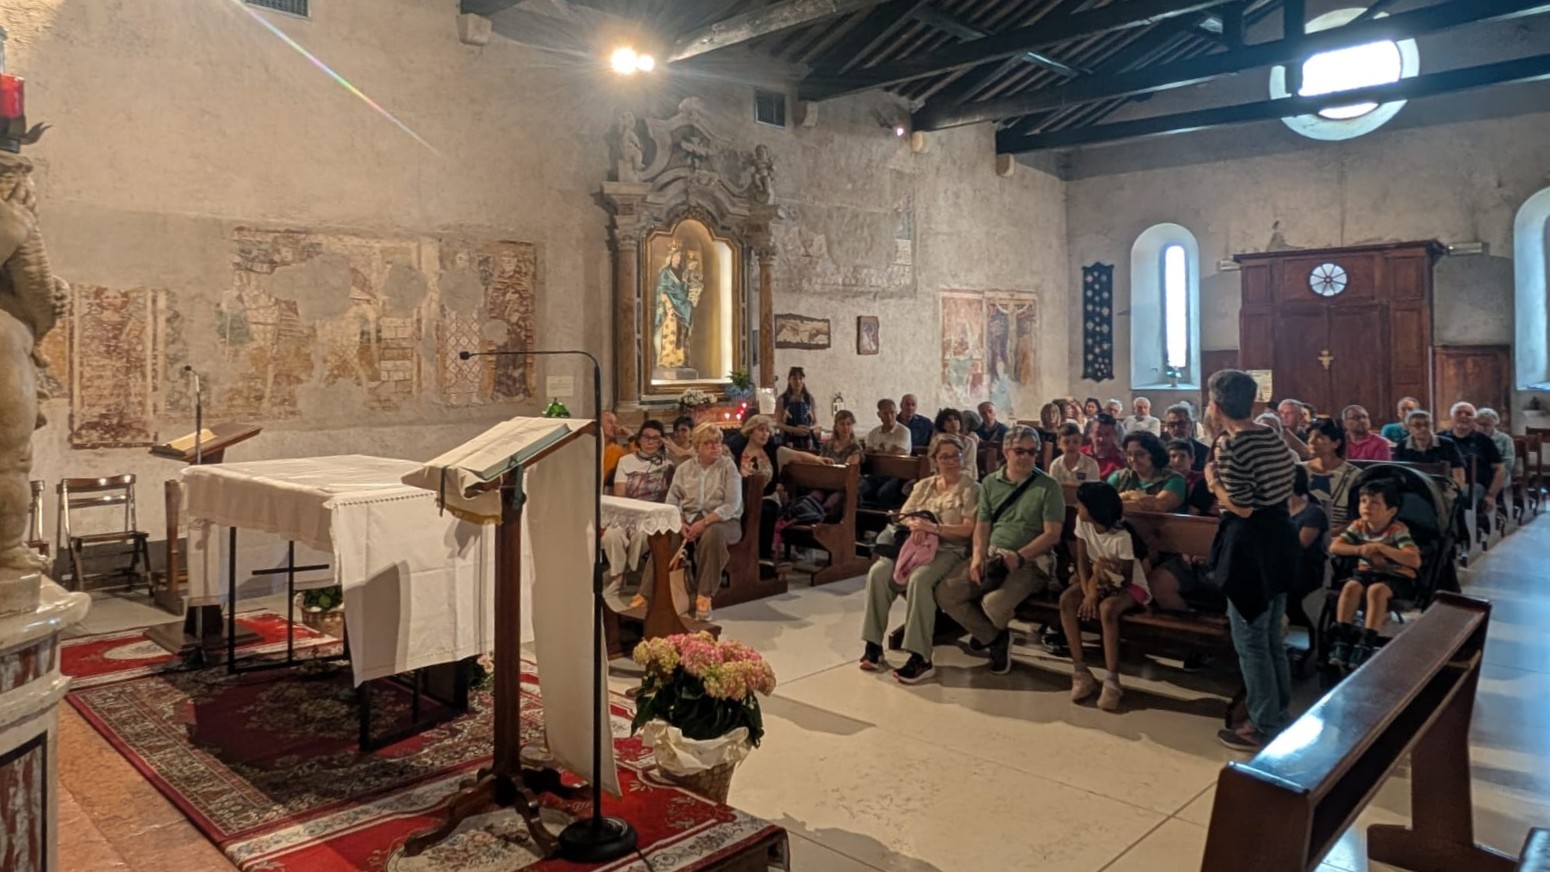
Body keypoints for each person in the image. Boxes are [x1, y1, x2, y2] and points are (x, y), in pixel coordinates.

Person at [1203, 370, 1299, 752]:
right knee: (1271, 636)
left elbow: (1241, 506)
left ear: (1216, 405)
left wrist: (1213, 482)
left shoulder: (1232, 445)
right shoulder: (1271, 435)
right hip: (1279, 537)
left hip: (1250, 547)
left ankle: (1262, 724)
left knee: (1251, 641)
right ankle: (1279, 712)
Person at [936, 426, 1065, 675]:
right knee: (946, 593)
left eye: (1032, 452)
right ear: (1006, 452)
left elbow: (1052, 534)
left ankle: (984, 632)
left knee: (993, 604)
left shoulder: (1049, 486)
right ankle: (994, 637)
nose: (1026, 457)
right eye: (1020, 451)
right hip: (993, 555)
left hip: (1031, 562)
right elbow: (983, 525)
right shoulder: (990, 483)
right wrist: (978, 557)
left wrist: (1020, 556)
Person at [859, 434, 981, 684]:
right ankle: (873, 645)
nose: (951, 461)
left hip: (950, 549)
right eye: (944, 456)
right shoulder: (924, 486)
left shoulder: (970, 488)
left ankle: (920, 656)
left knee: (920, 579)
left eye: (955, 455)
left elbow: (968, 529)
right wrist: (917, 526)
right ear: (934, 460)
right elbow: (904, 515)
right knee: (879, 572)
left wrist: (934, 529)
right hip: (915, 547)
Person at [634, 423, 743, 621]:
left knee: (713, 534)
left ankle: (704, 595)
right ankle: (646, 593)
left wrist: (705, 522)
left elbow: (732, 504)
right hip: (689, 519)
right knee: (665, 533)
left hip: (723, 521)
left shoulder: (728, 466)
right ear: (697, 446)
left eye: (718, 442)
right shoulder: (684, 469)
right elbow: (672, 500)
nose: (715, 447)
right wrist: (680, 521)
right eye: (708, 443)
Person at [1060, 482, 1151, 712]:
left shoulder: (1122, 536)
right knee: (1067, 601)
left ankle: (1112, 681)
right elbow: (1082, 562)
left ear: (1095, 508)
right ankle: (1080, 671)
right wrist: (1088, 592)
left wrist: (1095, 593)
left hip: (1129, 586)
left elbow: (1125, 580)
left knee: (1107, 609)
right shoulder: (1082, 523)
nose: (1076, 507)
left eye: (1081, 504)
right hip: (1097, 579)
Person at [1326, 479, 1421, 670]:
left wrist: (1381, 548)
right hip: (1366, 574)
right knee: (1351, 587)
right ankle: (1342, 638)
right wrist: (1360, 550)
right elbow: (1335, 546)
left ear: (1391, 511)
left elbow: (1414, 560)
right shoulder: (1359, 526)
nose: (1367, 506)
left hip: (1396, 577)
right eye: (1363, 501)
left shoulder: (1397, 530)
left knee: (1376, 591)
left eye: (1375, 502)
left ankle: (1367, 641)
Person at [602, 420, 673, 603]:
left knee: (640, 536)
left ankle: (622, 572)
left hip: (653, 516)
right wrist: (630, 520)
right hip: (628, 512)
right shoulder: (626, 461)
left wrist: (672, 448)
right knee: (612, 536)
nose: (650, 442)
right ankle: (619, 579)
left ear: (661, 441)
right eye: (646, 437)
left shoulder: (668, 463)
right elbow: (620, 494)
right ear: (639, 439)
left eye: (656, 438)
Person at [1286, 465, 1330, 641]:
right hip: (1281, 564)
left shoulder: (1313, 513)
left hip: (1305, 568)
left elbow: (1298, 547)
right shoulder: (1277, 510)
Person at [729, 414, 780, 558]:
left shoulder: (772, 450)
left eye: (767, 430)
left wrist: (817, 459)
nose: (765, 434)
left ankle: (763, 556)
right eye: (761, 429)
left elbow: (796, 455)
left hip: (767, 497)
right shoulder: (737, 450)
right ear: (751, 431)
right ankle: (741, 554)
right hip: (742, 497)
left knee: (765, 510)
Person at [1445, 402, 1506, 519]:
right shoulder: (1440, 439)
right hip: (1445, 483)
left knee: (1458, 495)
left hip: (1474, 485)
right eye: (1458, 413)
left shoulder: (1484, 441)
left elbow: (1500, 469)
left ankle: (1459, 528)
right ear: (1451, 417)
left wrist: (1491, 495)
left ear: (1474, 420)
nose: (1463, 416)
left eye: (1468, 414)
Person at [1301, 419, 1362, 527]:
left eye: (1319, 437)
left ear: (1336, 443)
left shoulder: (1354, 475)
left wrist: (1333, 533)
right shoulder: (1298, 470)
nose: (1311, 441)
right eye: (1310, 436)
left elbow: (1357, 518)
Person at [1109, 431, 1186, 513]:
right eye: (1129, 454)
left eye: (1139, 454)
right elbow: (1102, 502)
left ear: (1154, 454)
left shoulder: (1174, 480)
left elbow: (1157, 506)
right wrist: (1130, 496)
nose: (1133, 459)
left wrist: (1116, 503)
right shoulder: (1118, 477)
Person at [859, 399, 912, 507]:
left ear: (896, 413)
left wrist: (878, 452)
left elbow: (897, 454)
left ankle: (885, 516)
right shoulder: (874, 433)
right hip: (876, 472)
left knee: (884, 493)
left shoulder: (903, 431)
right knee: (859, 488)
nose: (889, 417)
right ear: (879, 414)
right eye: (885, 413)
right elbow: (868, 453)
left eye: (892, 413)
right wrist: (887, 452)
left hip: (897, 474)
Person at [1393, 409, 1465, 488]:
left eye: (1427, 424)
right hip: (1412, 489)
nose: (1423, 428)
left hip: (1442, 489)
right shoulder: (1402, 446)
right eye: (1417, 425)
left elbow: (1459, 475)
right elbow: (1397, 472)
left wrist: (1454, 491)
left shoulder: (1447, 444)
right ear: (1408, 427)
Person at [773, 366, 817, 452]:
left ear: (804, 380)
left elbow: (816, 422)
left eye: (800, 378)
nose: (798, 381)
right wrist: (794, 429)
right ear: (789, 380)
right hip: (788, 439)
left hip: (807, 439)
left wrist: (807, 429)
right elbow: (778, 423)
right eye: (794, 378)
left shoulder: (809, 399)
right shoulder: (782, 399)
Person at [1168, 439, 1215, 515]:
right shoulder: (1164, 480)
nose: (1177, 460)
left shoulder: (1202, 479)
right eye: (1173, 456)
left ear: (1192, 459)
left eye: (1183, 456)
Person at [931, 408, 979, 480]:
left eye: (956, 419)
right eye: (949, 420)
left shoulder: (969, 442)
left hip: (965, 478)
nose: (953, 422)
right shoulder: (936, 442)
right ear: (942, 425)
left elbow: (969, 465)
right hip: (942, 478)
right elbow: (933, 465)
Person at [1162, 402, 1209, 471]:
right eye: (1171, 424)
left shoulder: (1205, 452)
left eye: (1181, 423)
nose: (1176, 428)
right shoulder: (1161, 452)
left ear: (1190, 424)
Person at [1476, 408, 1517, 480]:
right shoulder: (1473, 437)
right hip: (1477, 477)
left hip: (1500, 477)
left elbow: (1508, 463)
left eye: (1487, 424)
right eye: (1480, 424)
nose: (1483, 427)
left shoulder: (1505, 439)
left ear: (1494, 424)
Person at [1082, 413, 1127, 479]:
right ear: (1090, 434)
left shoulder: (1121, 459)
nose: (1102, 439)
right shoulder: (1079, 454)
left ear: (1114, 435)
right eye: (1098, 434)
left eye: (1107, 434)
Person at [601, 410, 632, 484]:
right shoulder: (585, 444)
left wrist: (630, 436)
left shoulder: (615, 450)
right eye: (610, 422)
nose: (615, 426)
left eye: (615, 423)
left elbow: (639, 459)